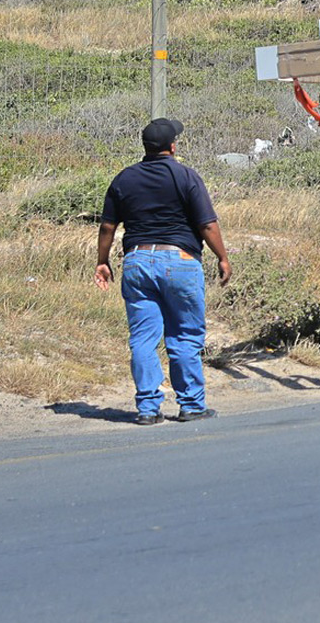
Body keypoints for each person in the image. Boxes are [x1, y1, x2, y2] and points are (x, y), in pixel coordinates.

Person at [95, 118, 232, 425]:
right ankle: (191, 405)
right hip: (179, 260)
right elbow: (207, 224)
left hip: (137, 261)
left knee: (143, 338)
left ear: (145, 146)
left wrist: (102, 261)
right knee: (184, 334)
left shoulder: (124, 178)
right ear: (173, 146)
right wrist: (222, 257)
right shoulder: (186, 176)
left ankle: (147, 408)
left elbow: (107, 226)